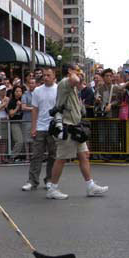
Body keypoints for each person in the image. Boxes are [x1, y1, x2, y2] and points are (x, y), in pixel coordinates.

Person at [46, 64, 109, 200]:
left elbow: (78, 83)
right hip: (66, 126)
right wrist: (77, 73)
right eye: (76, 70)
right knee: (61, 158)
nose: (79, 73)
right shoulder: (64, 82)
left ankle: (90, 185)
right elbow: (75, 80)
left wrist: (78, 74)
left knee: (84, 155)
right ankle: (53, 188)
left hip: (76, 126)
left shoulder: (72, 86)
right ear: (69, 71)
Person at [22, 68, 57, 191]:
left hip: (54, 127)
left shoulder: (58, 89)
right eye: (44, 75)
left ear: (54, 76)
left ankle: (49, 180)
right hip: (41, 127)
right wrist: (34, 127)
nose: (46, 77)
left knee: (53, 155)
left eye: (48, 75)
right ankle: (32, 181)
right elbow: (34, 109)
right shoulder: (37, 90)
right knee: (36, 155)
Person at [7, 85, 24, 161]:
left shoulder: (23, 100)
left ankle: (19, 156)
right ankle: (12, 156)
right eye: (16, 91)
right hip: (14, 122)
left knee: (23, 140)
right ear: (13, 92)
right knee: (19, 140)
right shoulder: (12, 102)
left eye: (20, 91)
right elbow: (11, 114)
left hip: (22, 122)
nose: (18, 93)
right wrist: (17, 107)